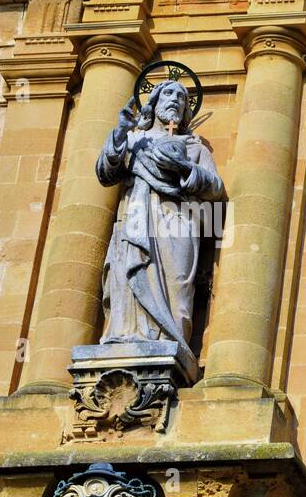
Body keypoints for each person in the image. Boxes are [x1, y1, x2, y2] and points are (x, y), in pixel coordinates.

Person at [96, 80, 224, 358]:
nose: (176, 99)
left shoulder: (195, 147)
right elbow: (105, 174)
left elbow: (215, 189)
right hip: (136, 219)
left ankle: (172, 340)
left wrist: (183, 167)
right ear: (153, 103)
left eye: (182, 97)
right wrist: (120, 132)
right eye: (168, 93)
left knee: (178, 283)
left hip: (178, 223)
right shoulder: (133, 141)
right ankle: (127, 334)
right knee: (131, 272)